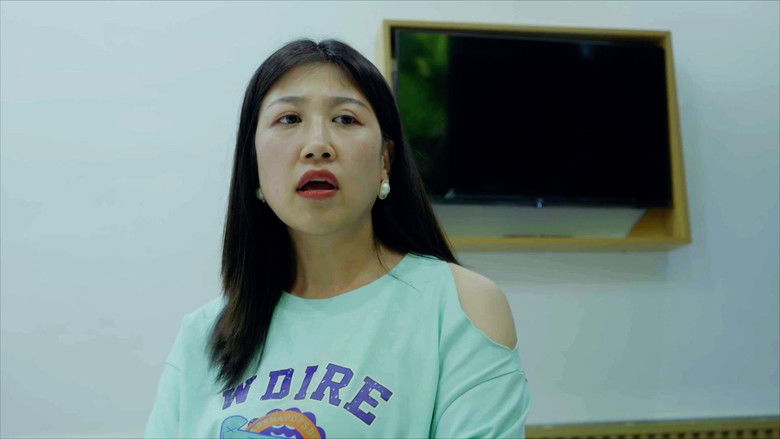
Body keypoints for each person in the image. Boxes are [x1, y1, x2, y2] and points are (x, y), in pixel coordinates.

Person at [145, 38, 531, 438]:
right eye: (289, 119)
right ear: (253, 163)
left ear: (385, 161)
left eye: (345, 119)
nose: (317, 146)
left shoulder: (460, 307)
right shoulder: (202, 335)